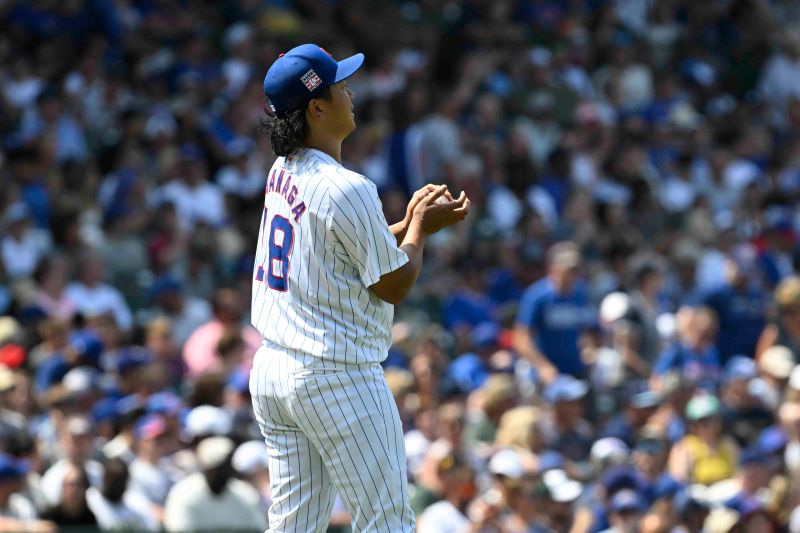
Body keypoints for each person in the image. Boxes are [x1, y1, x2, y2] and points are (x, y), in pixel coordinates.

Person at [251, 43, 470, 533]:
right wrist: (419, 234)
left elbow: (338, 244)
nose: (350, 93)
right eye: (340, 86)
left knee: (293, 526)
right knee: (386, 522)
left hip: (274, 370)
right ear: (316, 107)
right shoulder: (346, 186)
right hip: (336, 376)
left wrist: (409, 221)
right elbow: (393, 283)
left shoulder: (282, 169)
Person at [513, 241, 596, 383]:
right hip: (548, 375)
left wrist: (589, 349)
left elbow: (586, 329)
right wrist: (542, 366)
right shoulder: (537, 296)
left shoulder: (581, 294)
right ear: (554, 268)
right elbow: (521, 338)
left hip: (575, 370)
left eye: (576, 269)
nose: (574, 274)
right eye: (569, 269)